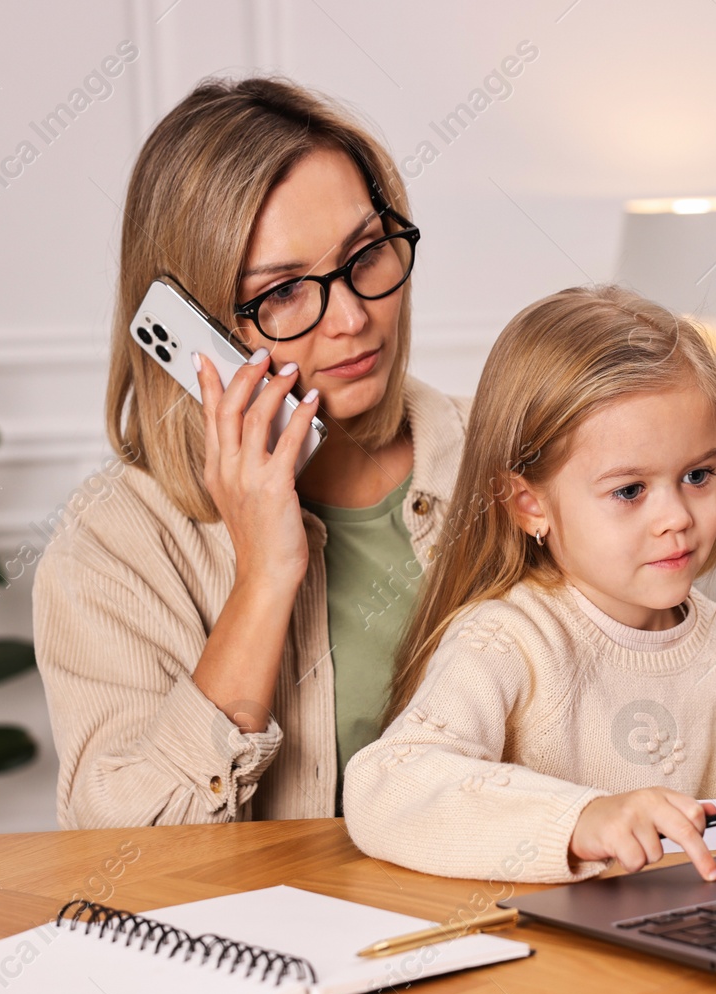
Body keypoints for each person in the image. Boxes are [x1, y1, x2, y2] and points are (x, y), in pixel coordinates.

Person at [34, 76, 470, 829]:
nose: (354, 317)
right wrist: (265, 577)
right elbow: (126, 854)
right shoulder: (112, 545)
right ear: (196, 330)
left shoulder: (505, 456)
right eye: (284, 291)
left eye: (366, 253)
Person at [343, 284, 716, 884]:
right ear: (529, 505)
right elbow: (386, 787)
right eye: (630, 490)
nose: (677, 516)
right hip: (535, 954)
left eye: (698, 475)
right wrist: (581, 820)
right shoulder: (508, 640)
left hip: (668, 942)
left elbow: (707, 818)